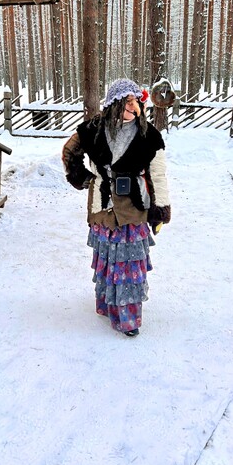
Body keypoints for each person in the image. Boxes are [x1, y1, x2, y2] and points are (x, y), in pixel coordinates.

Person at [62, 78, 171, 337]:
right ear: (116, 104)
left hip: (134, 209)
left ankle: (128, 319)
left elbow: (158, 174)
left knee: (130, 268)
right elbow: (69, 152)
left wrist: (161, 209)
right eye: (129, 101)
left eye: (137, 101)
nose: (135, 107)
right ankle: (107, 305)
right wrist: (84, 178)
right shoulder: (93, 130)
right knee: (109, 262)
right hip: (103, 209)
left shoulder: (149, 135)